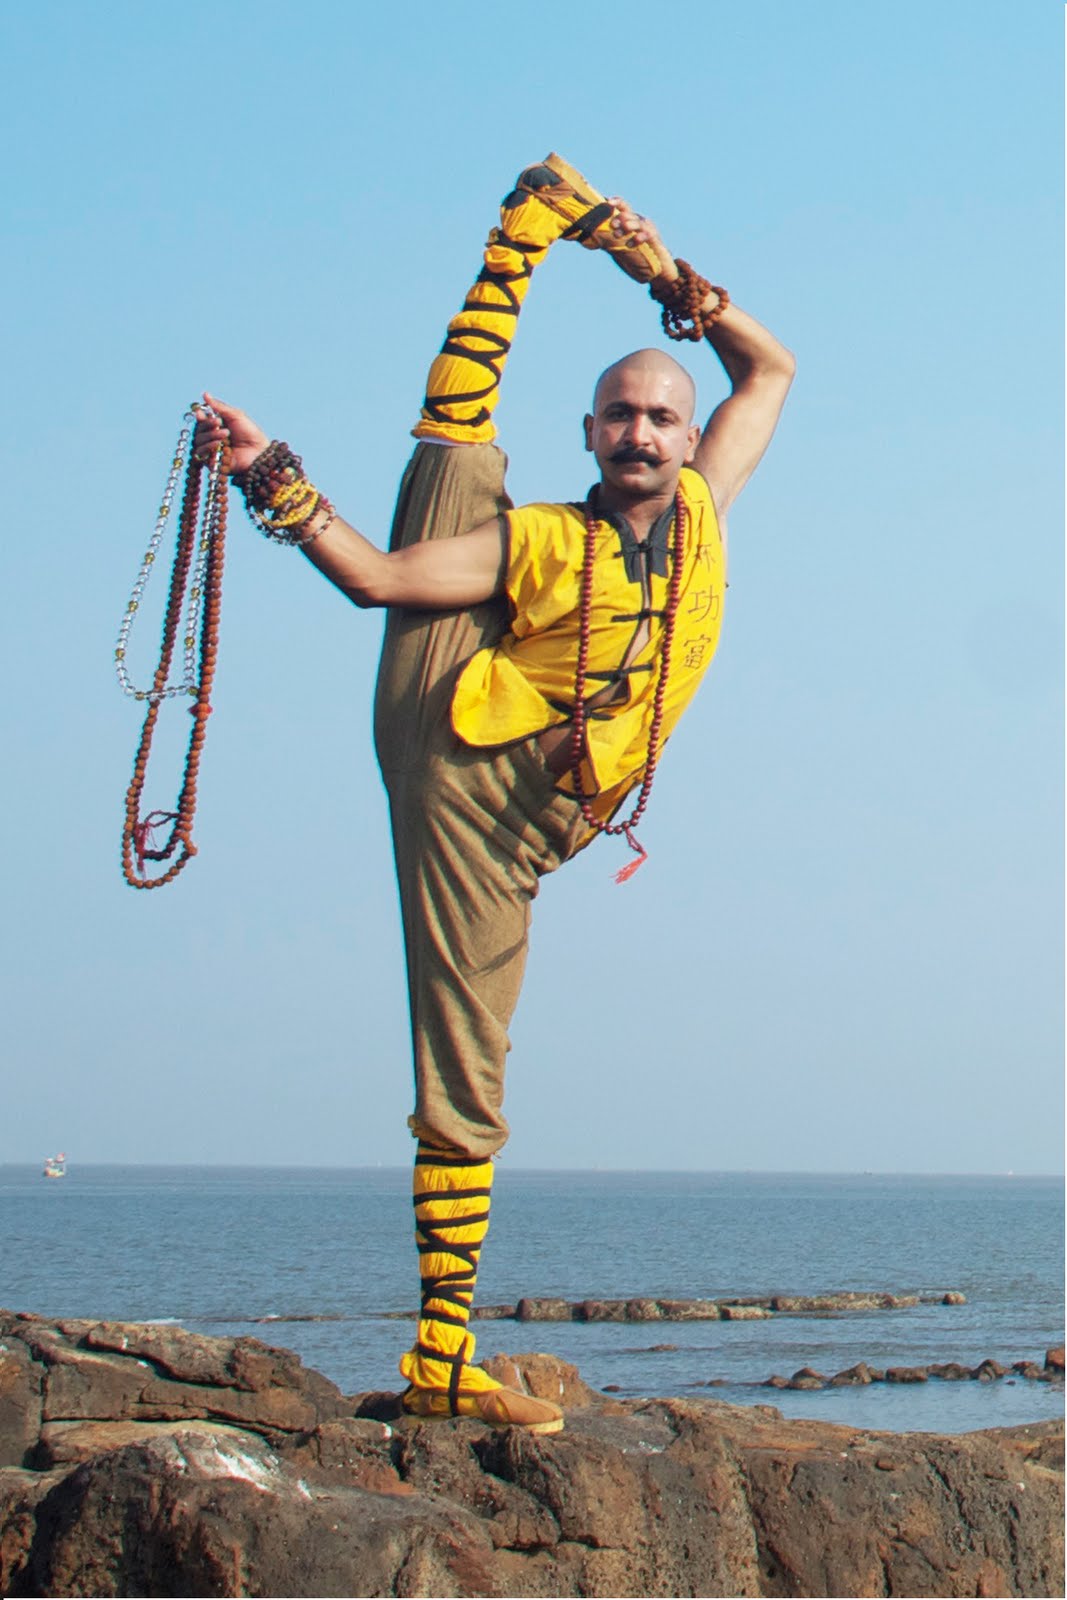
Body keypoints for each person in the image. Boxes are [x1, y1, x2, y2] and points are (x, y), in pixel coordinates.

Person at [193, 155, 794, 1435]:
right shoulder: (544, 537)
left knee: (463, 471)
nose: (638, 430)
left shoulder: (699, 510)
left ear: (683, 439)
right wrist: (272, 478)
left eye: (657, 416)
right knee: (458, 464)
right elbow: (375, 578)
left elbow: (772, 369)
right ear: (588, 435)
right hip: (458, 771)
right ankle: (442, 1353)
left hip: (553, 811)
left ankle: (533, 219)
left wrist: (662, 275)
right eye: (616, 415)